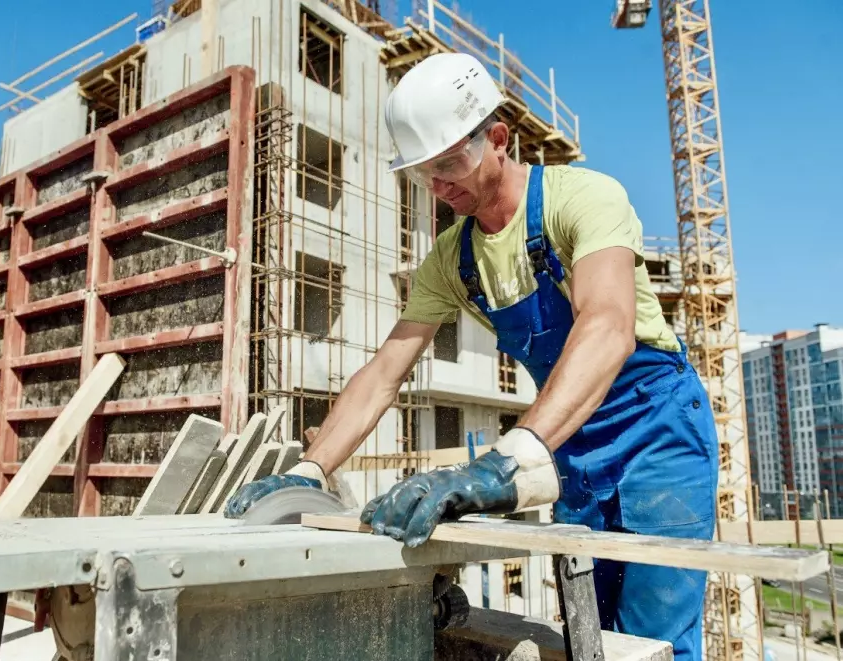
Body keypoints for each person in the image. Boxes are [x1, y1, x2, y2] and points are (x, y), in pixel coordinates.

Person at [225, 51, 718, 660]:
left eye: (450, 163)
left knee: (652, 641)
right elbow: (384, 373)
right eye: (423, 173)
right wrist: (311, 469)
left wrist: (510, 460)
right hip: (572, 445)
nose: (440, 186)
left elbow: (609, 326)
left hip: (656, 435)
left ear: (499, 139)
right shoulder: (451, 259)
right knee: (589, 633)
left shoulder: (583, 199)